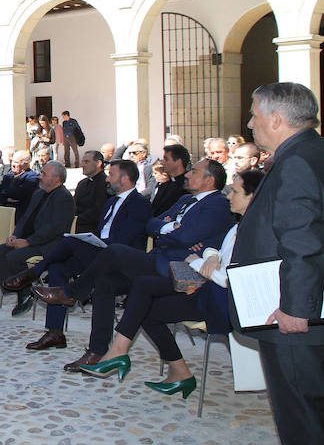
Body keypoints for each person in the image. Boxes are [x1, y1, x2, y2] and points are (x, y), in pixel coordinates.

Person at [32, 158, 234, 373]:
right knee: (104, 282)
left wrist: (168, 230)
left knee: (114, 251)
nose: (187, 174)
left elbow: (184, 236)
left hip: (182, 270)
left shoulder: (217, 204)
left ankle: (71, 292)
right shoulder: (185, 199)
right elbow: (153, 224)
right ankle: (97, 351)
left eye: (194, 171)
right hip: (162, 259)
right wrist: (169, 229)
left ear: (209, 179)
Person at [80, 170, 262, 398]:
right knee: (143, 302)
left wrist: (195, 261)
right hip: (204, 289)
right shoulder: (239, 227)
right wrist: (212, 254)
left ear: (253, 197)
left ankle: (118, 351)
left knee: (141, 288)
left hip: (218, 302)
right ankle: (178, 372)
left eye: (235, 192)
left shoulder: (255, 233)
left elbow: (229, 279)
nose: (229, 197)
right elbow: (219, 250)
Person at [231, 82, 324, 443]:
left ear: (275, 118)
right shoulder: (312, 151)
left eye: (254, 116)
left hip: (292, 317)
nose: (251, 124)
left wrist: (295, 309)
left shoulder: (297, 162)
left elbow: (302, 240)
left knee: (301, 413)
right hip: (307, 306)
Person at [2, 160, 152, 345]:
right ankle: (55, 333)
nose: (107, 179)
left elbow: (126, 240)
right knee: (58, 269)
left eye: (111, 175)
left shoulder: (140, 204)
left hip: (120, 258)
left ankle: (34, 272)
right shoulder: (111, 202)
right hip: (97, 255)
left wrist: (93, 243)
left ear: (126, 179)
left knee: (70, 240)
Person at [0, 161, 75, 315]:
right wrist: (15, 235)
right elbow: (26, 218)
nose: (39, 177)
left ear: (56, 179)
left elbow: (54, 229)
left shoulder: (64, 197)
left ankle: (24, 292)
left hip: (50, 244)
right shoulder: (39, 193)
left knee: (14, 257)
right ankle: (24, 291)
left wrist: (28, 242)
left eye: (44, 174)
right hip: (29, 239)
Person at [72, 150, 110, 235]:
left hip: (91, 230)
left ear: (98, 163)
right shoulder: (82, 183)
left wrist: (76, 220)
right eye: (82, 162)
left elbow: (97, 212)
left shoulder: (105, 184)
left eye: (87, 162)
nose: (83, 165)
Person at [151, 144, 189, 216]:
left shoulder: (188, 186)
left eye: (166, 159)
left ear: (178, 162)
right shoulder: (164, 185)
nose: (162, 162)